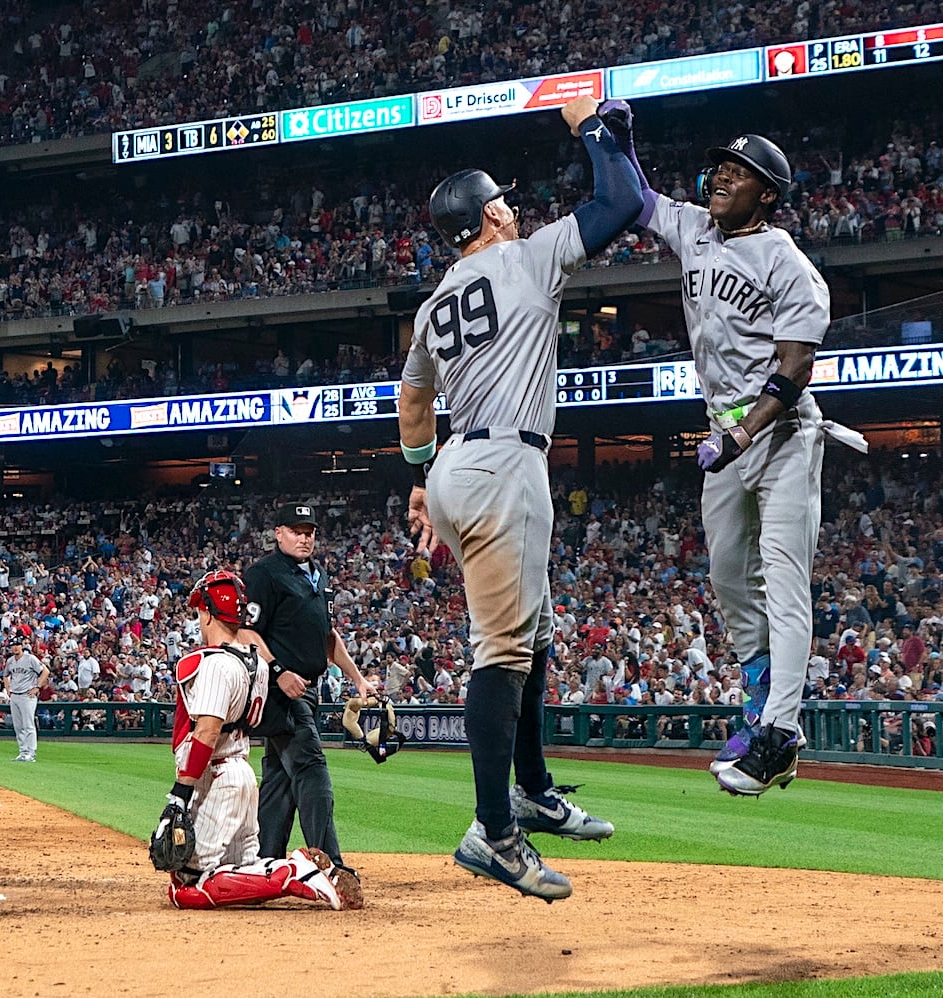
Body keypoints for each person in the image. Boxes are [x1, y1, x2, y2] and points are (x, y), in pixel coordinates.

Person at [399, 94, 636, 901]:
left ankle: (531, 789)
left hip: (457, 465)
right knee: (501, 652)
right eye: (503, 199)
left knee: (531, 637)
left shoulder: (434, 304)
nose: (513, 205)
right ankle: (493, 831)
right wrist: (593, 129)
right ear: (492, 214)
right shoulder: (529, 257)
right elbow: (620, 203)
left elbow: (413, 404)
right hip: (505, 464)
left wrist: (421, 478)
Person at [604, 99, 865, 796]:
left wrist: (743, 433)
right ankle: (759, 690)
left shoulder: (788, 263)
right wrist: (620, 142)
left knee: (783, 578)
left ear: (767, 194)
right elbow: (635, 199)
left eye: (738, 171)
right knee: (726, 574)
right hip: (725, 433)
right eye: (719, 165)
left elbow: (795, 367)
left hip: (782, 435)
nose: (721, 175)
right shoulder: (695, 228)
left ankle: (780, 733)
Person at [160, 569, 347, 911]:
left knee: (188, 886)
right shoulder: (256, 662)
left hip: (217, 778)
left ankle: (295, 871)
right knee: (243, 869)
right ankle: (287, 871)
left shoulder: (214, 664)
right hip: (241, 772)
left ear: (207, 613)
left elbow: (207, 732)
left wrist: (180, 793)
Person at [238, 503, 371, 905]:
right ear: (278, 533)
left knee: (280, 780)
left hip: (309, 689)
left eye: (309, 531)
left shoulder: (318, 575)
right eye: (296, 530)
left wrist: (358, 678)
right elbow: (246, 632)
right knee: (312, 768)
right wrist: (278, 670)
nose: (304, 537)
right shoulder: (264, 574)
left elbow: (327, 636)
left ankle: (264, 864)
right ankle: (331, 867)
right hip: (280, 692)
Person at [3, 641, 49, 762]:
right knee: (18, 726)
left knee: (28, 725)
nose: (15, 647)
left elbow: (45, 671)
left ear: (22, 646)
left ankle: (31, 753)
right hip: (15, 695)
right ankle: (23, 752)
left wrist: (37, 687)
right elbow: (5, 675)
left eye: (17, 645)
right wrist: (7, 689)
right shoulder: (10, 661)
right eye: (13, 645)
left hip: (27, 695)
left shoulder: (30, 658)